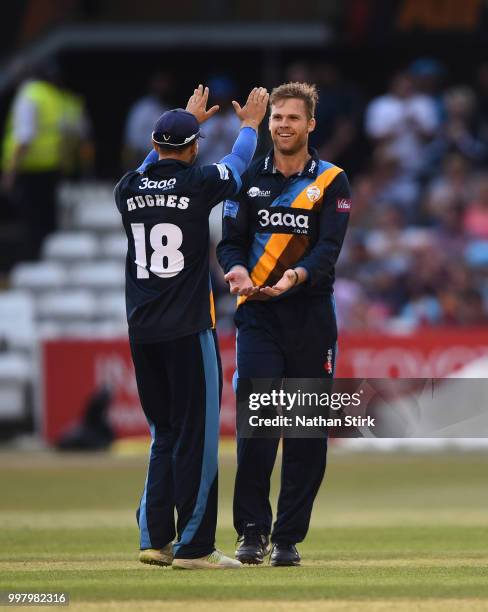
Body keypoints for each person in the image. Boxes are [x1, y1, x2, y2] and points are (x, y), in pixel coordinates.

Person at [114, 84, 269, 570]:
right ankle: (196, 547)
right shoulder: (197, 183)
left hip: (143, 332)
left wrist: (182, 121)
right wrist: (250, 125)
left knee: (163, 432)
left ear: (156, 145)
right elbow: (240, 164)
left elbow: (148, 168)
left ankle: (153, 539)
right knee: (198, 435)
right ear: (193, 147)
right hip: (187, 328)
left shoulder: (126, 190)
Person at [217, 82, 351, 566]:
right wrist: (234, 270)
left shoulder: (332, 180)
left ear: (310, 124)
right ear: (269, 122)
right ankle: (251, 532)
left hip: (311, 316)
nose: (283, 125)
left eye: (293, 118)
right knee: (258, 427)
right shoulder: (248, 181)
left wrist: (293, 277)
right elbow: (229, 243)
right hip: (258, 317)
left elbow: (328, 251)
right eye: (277, 118)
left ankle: (288, 538)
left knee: (306, 434)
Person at [1, 60, 67, 260]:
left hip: (30, 167)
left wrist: (10, 172)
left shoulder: (28, 96)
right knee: (48, 221)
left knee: (32, 224)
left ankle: (32, 261)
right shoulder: (51, 95)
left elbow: (24, 136)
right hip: (51, 165)